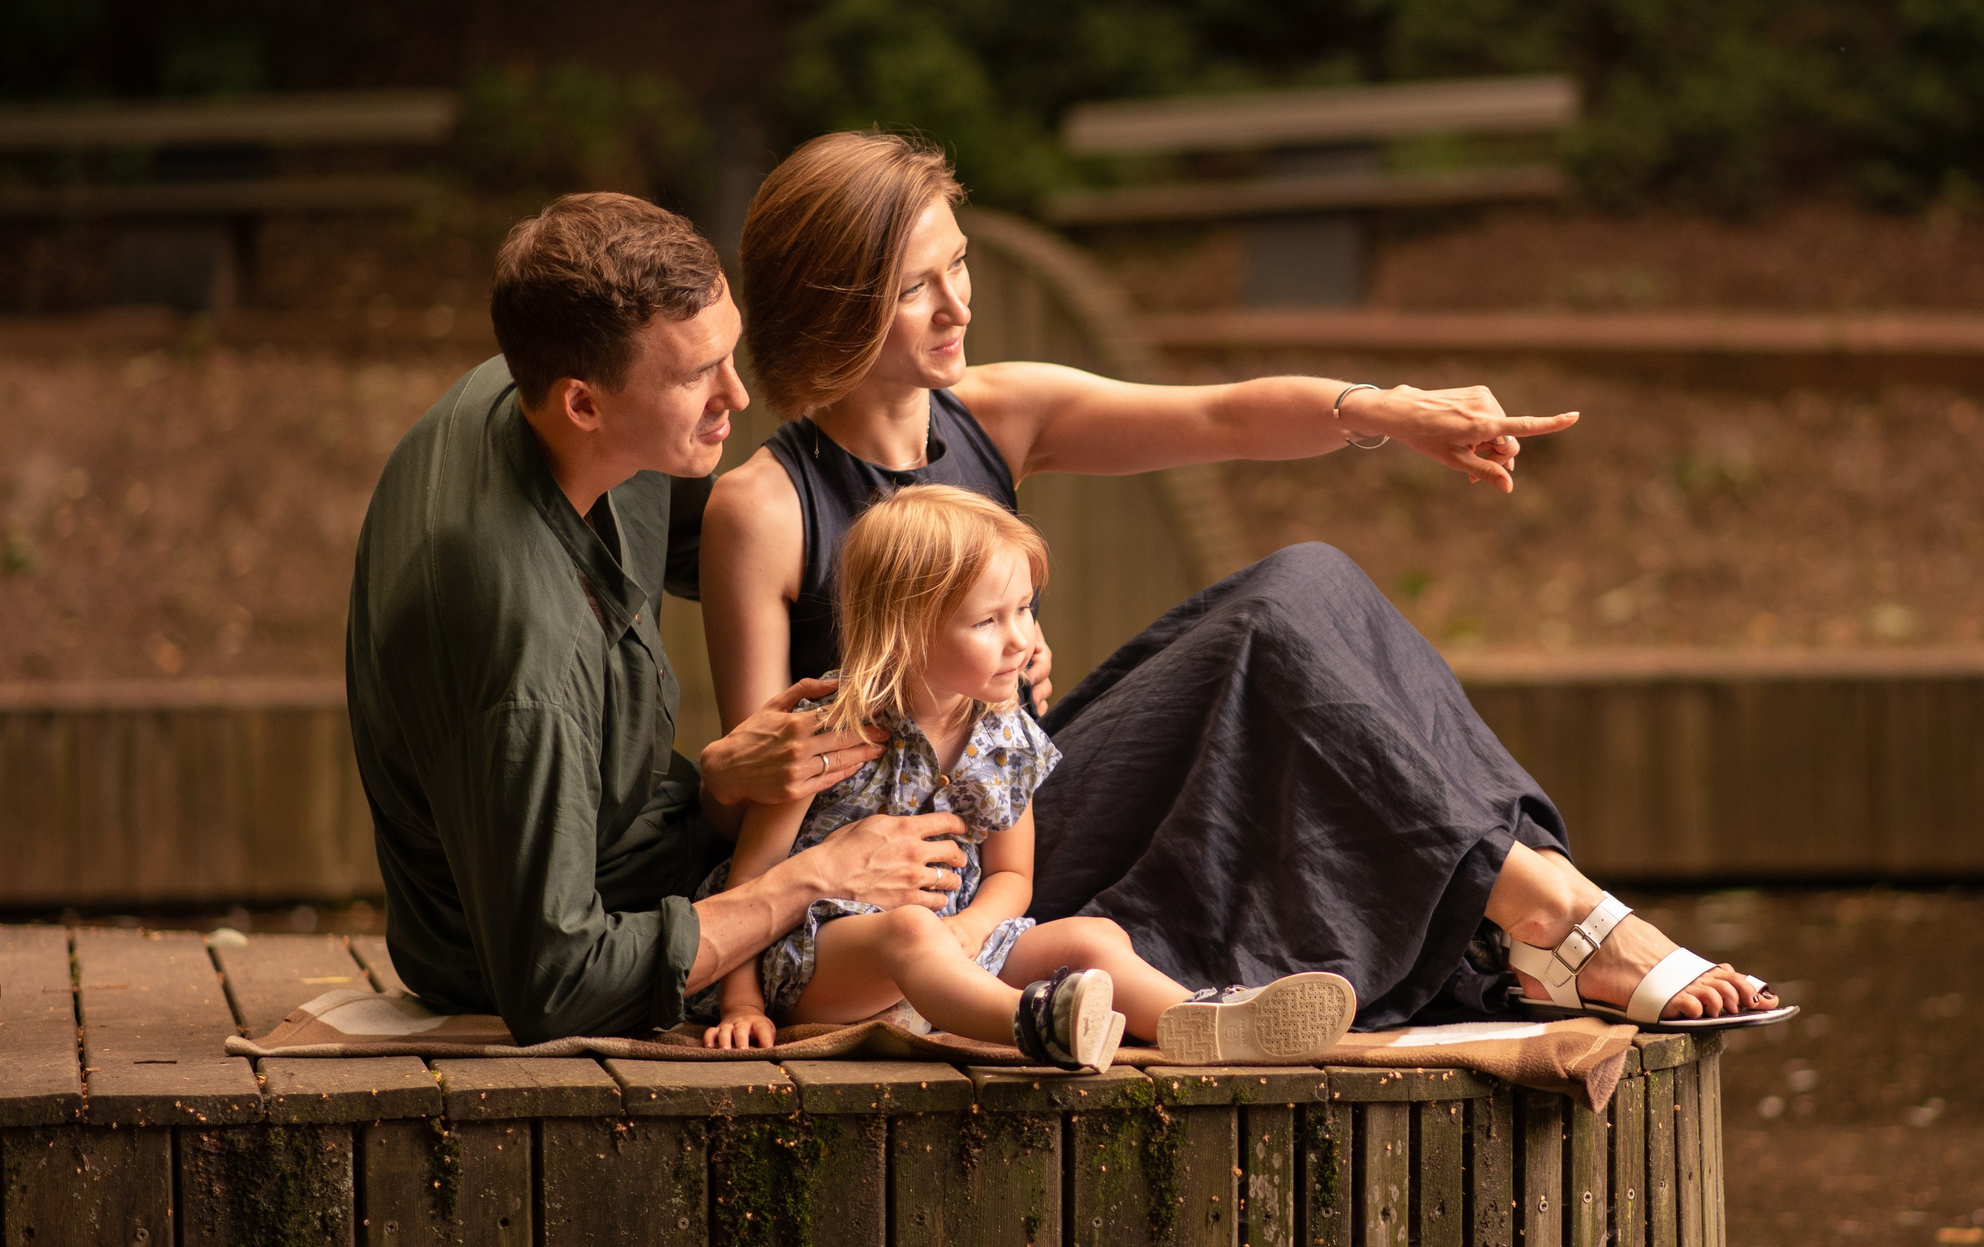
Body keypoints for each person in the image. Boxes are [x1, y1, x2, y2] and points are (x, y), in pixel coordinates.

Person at [700, 131, 1781, 1030]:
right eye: (915, 287)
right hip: (890, 884)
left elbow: (1220, 414)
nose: (958, 304)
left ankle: (1544, 901)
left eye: (960, 263)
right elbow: (762, 773)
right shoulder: (766, 505)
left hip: (1018, 821)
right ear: (836, 306)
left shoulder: (996, 411)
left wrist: (1383, 409)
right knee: (1281, 631)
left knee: (1304, 583)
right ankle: (1559, 924)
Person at [347, 193, 980, 1043]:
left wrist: (976, 631)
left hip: (653, 834)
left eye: (729, 353)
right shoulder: (525, 650)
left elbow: (755, 562)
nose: (739, 395)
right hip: (530, 948)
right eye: (695, 377)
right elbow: (554, 979)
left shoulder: (564, 396)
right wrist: (809, 878)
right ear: (583, 403)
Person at [692, 483, 1358, 1069]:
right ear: (904, 631)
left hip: (957, 943)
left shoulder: (1003, 734)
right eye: (988, 620)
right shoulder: (824, 729)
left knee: (1091, 936)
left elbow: (1012, 876)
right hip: (822, 963)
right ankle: (1034, 1024)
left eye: (1024, 608)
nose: (1020, 638)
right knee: (910, 933)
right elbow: (754, 881)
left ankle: (1205, 1021)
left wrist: (971, 929)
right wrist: (742, 1000)